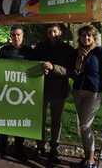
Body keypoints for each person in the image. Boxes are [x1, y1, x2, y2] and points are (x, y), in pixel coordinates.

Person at [70, 25, 102, 168]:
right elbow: (73, 72)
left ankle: (91, 161)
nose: (86, 38)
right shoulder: (76, 52)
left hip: (93, 93)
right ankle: (86, 158)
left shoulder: (100, 52)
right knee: (83, 127)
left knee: (85, 126)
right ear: (79, 38)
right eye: (83, 35)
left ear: (93, 38)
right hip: (78, 92)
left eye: (89, 36)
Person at [34, 24, 76, 161]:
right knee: (39, 120)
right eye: (49, 31)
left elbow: (71, 71)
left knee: (56, 121)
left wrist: (53, 68)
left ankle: (54, 147)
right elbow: (32, 64)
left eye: (54, 31)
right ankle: (40, 145)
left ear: (60, 33)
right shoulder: (40, 47)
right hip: (41, 89)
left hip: (59, 90)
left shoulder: (68, 49)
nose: (52, 34)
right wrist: (40, 68)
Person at [0, 26, 35, 160]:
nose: (16, 37)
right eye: (13, 35)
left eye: (18, 35)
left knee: (19, 120)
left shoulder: (29, 51)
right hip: (6, 91)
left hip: (23, 92)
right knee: (4, 119)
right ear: (10, 36)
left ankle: (19, 148)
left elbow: (35, 68)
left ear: (23, 36)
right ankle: (1, 148)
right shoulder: (4, 50)